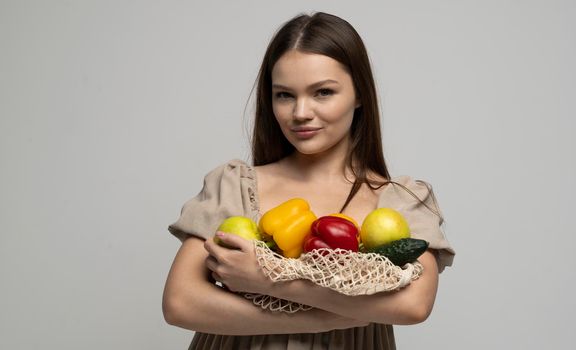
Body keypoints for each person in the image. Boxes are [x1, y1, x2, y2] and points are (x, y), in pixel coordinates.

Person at [162, 11, 455, 350]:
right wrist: (321, 319)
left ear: (359, 94)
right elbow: (180, 303)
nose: (300, 112)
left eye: (323, 92)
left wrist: (271, 283)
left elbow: (413, 305)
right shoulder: (236, 186)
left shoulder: (402, 200)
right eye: (284, 95)